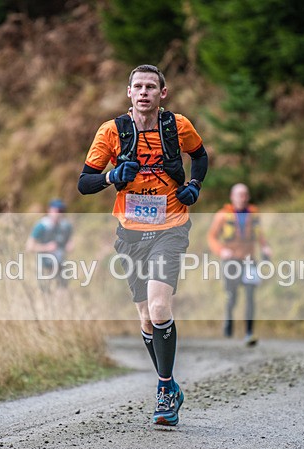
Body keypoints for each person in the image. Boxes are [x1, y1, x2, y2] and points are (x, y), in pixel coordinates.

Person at [77, 64, 208, 426]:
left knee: (159, 305)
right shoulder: (112, 131)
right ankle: (171, 386)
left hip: (172, 227)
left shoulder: (177, 126)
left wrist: (194, 184)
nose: (145, 92)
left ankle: (165, 390)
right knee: (146, 319)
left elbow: (200, 155)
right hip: (131, 233)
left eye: (152, 86)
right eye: (139, 86)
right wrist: (110, 176)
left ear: (162, 93)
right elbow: (84, 182)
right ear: (129, 92)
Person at [207, 183, 272, 347]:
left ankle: (249, 332)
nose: (242, 198)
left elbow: (259, 234)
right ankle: (229, 316)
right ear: (232, 197)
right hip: (231, 261)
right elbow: (212, 237)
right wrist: (221, 251)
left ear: (248, 197)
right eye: (239, 195)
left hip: (249, 260)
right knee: (232, 295)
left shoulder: (253, 214)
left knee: (251, 295)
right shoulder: (222, 215)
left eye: (245, 195)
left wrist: (265, 247)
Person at [26, 198, 74, 287]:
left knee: (62, 291)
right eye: (56, 210)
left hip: (60, 264)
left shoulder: (66, 226)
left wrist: (69, 245)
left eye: (61, 211)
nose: (58, 214)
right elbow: (29, 247)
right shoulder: (41, 226)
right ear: (49, 210)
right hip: (45, 266)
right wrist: (46, 247)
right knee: (46, 294)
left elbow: (69, 241)